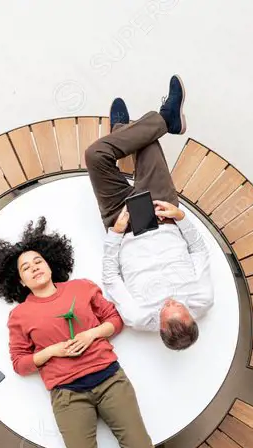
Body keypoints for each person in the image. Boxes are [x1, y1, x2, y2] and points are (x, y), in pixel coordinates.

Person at [0, 218, 163, 448]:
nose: (35, 267)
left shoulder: (81, 288)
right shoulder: (20, 316)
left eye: (38, 261)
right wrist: (49, 352)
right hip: (67, 394)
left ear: (50, 264)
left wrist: (92, 334)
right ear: (21, 281)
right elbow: (20, 364)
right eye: (26, 267)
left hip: (110, 380)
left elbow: (115, 320)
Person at [85, 75, 214, 351]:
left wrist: (116, 233)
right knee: (148, 145)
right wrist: (180, 217)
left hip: (123, 223)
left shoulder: (137, 316)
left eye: (167, 309)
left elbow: (111, 277)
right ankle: (159, 123)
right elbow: (199, 252)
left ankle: (130, 127)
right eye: (179, 305)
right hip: (162, 214)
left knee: (95, 155)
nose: (171, 301)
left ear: (161, 326)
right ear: (192, 317)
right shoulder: (202, 299)